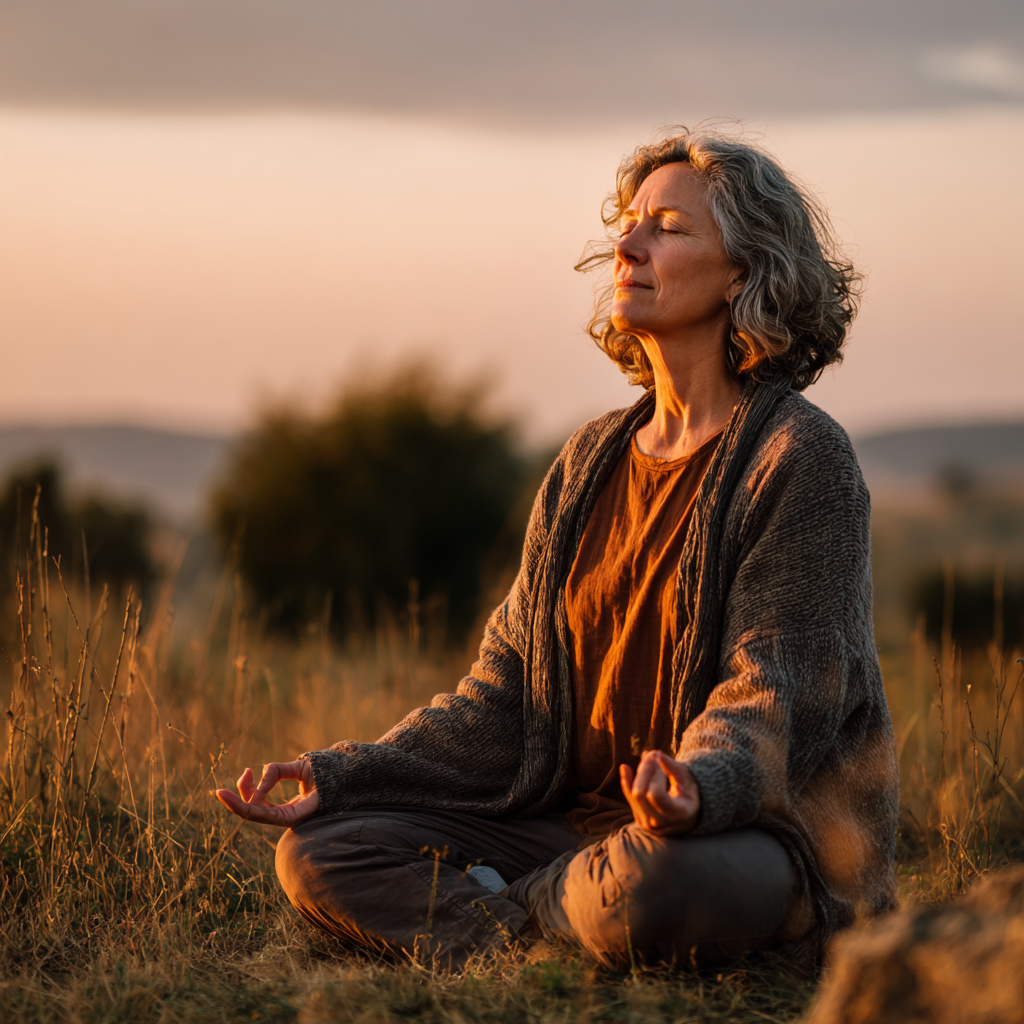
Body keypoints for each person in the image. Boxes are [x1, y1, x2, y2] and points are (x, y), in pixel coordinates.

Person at [217, 127, 899, 970]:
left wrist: (696, 789)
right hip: (577, 831)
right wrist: (348, 775)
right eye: (631, 223)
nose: (628, 245)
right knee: (323, 850)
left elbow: (777, 693)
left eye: (669, 229)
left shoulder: (800, 459)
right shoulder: (587, 462)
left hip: (745, 833)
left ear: (743, 275)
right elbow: (503, 697)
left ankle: (525, 913)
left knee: (651, 886)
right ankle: (551, 930)